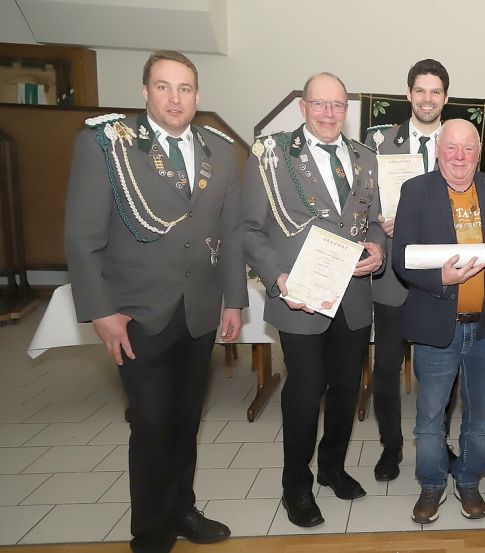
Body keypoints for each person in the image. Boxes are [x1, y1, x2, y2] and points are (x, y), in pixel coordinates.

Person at [64, 50, 246, 553]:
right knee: (150, 423)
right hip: (137, 313)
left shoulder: (219, 150)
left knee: (186, 419)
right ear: (144, 92)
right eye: (163, 87)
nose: (175, 98)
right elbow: (82, 238)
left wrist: (234, 301)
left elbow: (230, 232)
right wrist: (100, 311)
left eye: (184, 88)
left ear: (197, 95)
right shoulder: (106, 145)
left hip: (200, 311)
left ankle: (182, 509)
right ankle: (149, 531)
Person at [242, 72, 385, 528]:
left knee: (345, 391)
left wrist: (379, 251)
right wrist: (279, 279)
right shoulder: (271, 154)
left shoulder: (364, 158)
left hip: (354, 300)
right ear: (302, 107)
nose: (329, 113)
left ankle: (333, 468)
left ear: (348, 110)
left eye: (338, 105)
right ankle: (295, 486)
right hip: (300, 299)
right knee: (304, 395)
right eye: (319, 104)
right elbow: (250, 229)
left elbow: (375, 222)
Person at [392, 119, 485, 524]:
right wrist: (440, 279)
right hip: (436, 326)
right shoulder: (416, 191)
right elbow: (401, 258)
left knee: (481, 417)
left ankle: (468, 480)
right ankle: (432, 484)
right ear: (438, 150)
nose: (459, 156)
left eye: (468, 148)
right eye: (451, 148)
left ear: (478, 152)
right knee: (430, 418)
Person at [362, 58, 450, 482]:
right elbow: (362, 198)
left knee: (440, 363)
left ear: (445, 97)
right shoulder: (378, 141)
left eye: (435, 91)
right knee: (387, 367)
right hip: (392, 271)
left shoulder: (459, 142)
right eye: (420, 90)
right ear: (409, 94)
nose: (427, 98)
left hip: (439, 273)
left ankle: (439, 438)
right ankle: (391, 447)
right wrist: (381, 217)